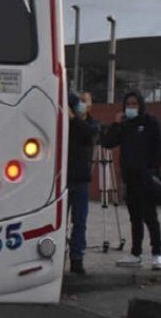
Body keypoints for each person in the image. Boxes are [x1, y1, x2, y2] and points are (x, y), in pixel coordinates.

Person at [102, 90, 161, 270]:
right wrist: (116, 123)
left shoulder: (150, 123)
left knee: (149, 217)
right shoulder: (125, 125)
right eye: (128, 104)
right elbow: (107, 142)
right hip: (130, 179)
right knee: (134, 217)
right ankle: (135, 254)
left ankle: (157, 254)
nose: (131, 107)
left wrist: (153, 171)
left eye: (134, 104)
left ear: (141, 105)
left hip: (147, 179)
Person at [67, 91, 99, 275]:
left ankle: (76, 258)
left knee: (79, 222)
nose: (82, 105)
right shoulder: (65, 123)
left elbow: (88, 134)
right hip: (63, 180)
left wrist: (73, 119)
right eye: (79, 102)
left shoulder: (91, 125)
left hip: (80, 181)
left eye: (85, 101)